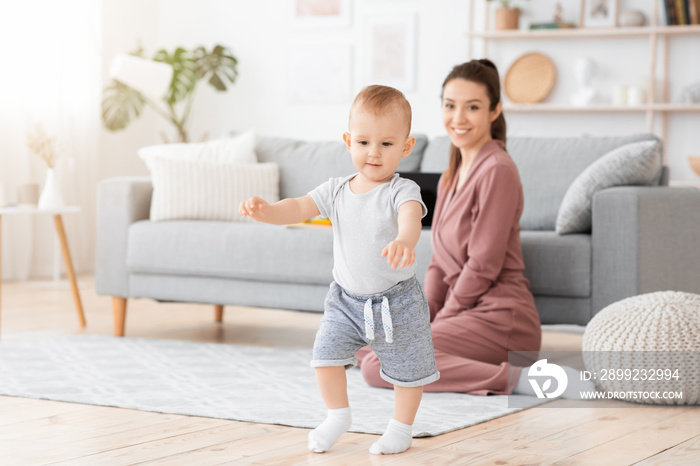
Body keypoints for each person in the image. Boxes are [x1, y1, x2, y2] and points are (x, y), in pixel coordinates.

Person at [358, 60, 595, 399]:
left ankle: (523, 379)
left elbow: (483, 265)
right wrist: (425, 318)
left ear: (495, 110)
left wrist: (439, 324)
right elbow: (440, 263)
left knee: (379, 364)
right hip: (465, 312)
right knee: (367, 348)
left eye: (472, 107)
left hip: (501, 317)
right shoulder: (451, 174)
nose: (458, 118)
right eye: (450, 106)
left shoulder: (497, 169)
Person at [239, 85, 439, 455]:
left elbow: (410, 219)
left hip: (397, 304)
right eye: (363, 142)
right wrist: (267, 211)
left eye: (386, 144)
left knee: (409, 371)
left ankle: (400, 428)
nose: (373, 153)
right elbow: (298, 207)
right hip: (346, 300)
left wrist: (405, 241)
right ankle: (337, 416)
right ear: (348, 141)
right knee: (324, 357)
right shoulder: (335, 190)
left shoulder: (402, 190)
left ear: (406, 147)